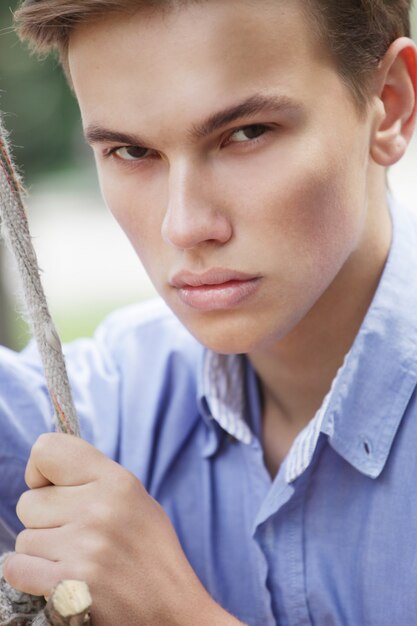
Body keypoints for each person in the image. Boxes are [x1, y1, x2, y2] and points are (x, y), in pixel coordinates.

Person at [0, 0, 416, 623]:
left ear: (390, 104)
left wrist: (177, 613)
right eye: (131, 152)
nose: (186, 225)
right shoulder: (97, 406)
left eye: (246, 134)